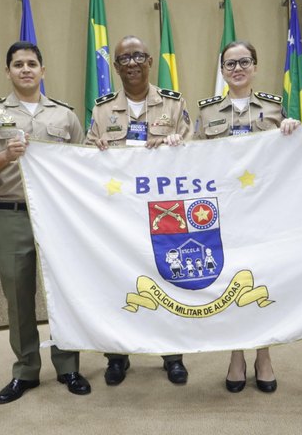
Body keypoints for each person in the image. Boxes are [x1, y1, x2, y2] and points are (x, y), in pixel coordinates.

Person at [0, 41, 91, 405]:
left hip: (57, 219)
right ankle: (25, 371)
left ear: (43, 71)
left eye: (32, 64)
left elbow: (83, 168)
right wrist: (5, 155)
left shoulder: (65, 116)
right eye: (18, 64)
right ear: (8, 71)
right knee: (18, 297)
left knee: (63, 294)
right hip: (12, 215)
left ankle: (68, 367)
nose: (25, 69)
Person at [195, 40, 300, 394]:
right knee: (231, 283)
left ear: (255, 66)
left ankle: (264, 354)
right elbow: (195, 159)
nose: (237, 69)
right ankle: (236, 354)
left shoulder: (273, 108)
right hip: (224, 214)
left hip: (264, 212)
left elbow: (290, 155)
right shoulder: (208, 112)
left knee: (262, 281)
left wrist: (291, 130)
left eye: (244, 62)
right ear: (222, 70)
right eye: (230, 64)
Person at [86, 35, 192, 386]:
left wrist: (175, 143)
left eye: (137, 57)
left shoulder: (173, 105)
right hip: (117, 214)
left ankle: (172, 354)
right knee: (117, 282)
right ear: (115, 67)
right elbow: (84, 160)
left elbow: (197, 151)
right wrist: (95, 147)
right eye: (123, 59)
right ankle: (117, 356)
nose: (131, 63)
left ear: (150, 61)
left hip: (164, 211)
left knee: (168, 277)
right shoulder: (102, 109)